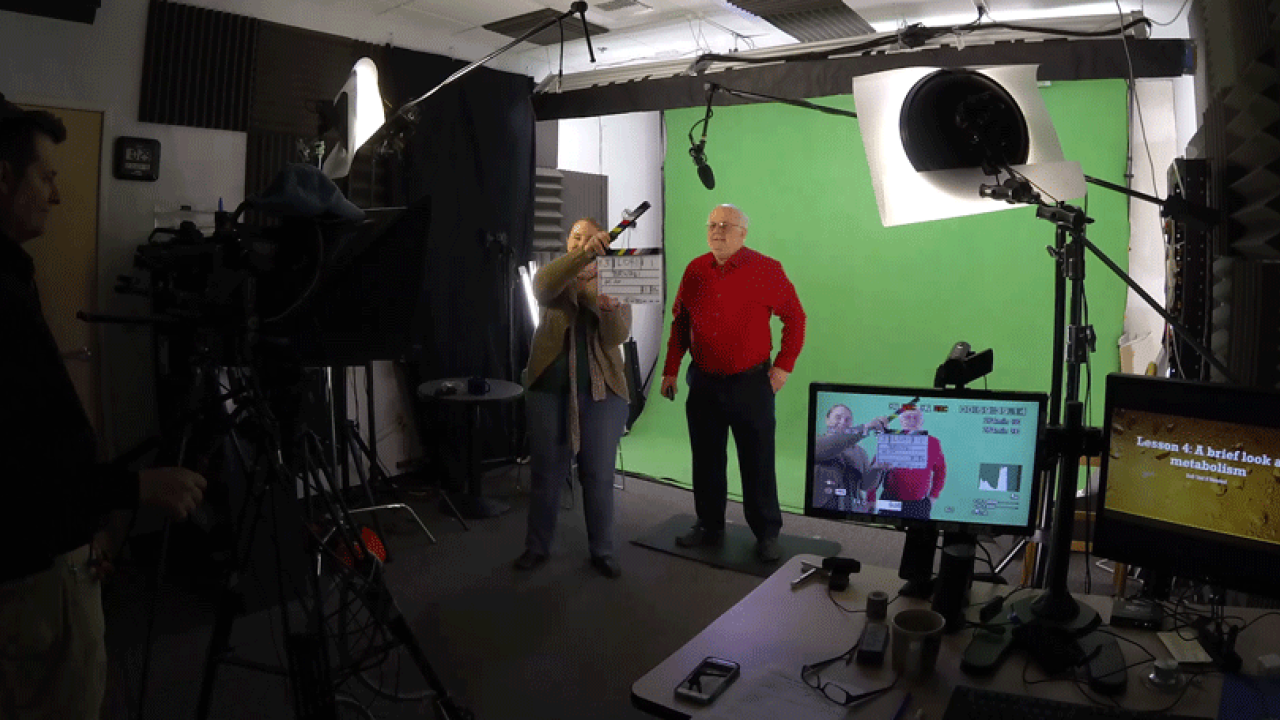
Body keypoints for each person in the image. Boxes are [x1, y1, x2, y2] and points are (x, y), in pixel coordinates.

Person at [0, 95, 207, 719]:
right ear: (3, 178)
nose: (57, 195)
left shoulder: (13, 278)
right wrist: (133, 488)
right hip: (34, 578)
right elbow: (22, 465)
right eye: (46, 176)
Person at [661, 204, 806, 563]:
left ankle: (767, 532)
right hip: (704, 382)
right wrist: (670, 370)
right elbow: (681, 324)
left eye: (726, 225)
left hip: (751, 384)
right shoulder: (695, 270)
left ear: (743, 233)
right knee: (706, 460)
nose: (717, 231)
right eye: (712, 224)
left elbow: (795, 318)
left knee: (758, 461)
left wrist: (783, 368)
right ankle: (709, 525)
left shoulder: (767, 269)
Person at [516, 218, 631, 578]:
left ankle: (603, 551)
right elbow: (540, 288)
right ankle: (537, 547)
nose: (582, 242)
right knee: (546, 472)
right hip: (549, 390)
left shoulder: (617, 275)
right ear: (568, 242)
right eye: (576, 237)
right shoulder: (557, 273)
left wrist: (608, 308)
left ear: (603, 243)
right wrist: (582, 257)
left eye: (590, 238)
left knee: (598, 475)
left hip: (603, 393)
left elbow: (616, 337)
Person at [812, 405, 890, 512]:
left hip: (853, 513)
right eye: (838, 417)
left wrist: (876, 469)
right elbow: (833, 443)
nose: (842, 422)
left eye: (847, 419)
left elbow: (865, 486)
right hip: (821, 513)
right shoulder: (816, 442)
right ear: (827, 420)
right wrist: (867, 427)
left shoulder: (860, 452)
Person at [873, 406, 946, 520]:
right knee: (883, 529)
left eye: (916, 418)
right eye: (907, 417)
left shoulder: (933, 443)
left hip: (918, 504)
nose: (912, 421)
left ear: (922, 421)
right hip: (890, 501)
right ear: (901, 421)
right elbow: (874, 470)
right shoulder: (890, 439)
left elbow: (940, 472)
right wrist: (870, 498)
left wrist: (933, 497)